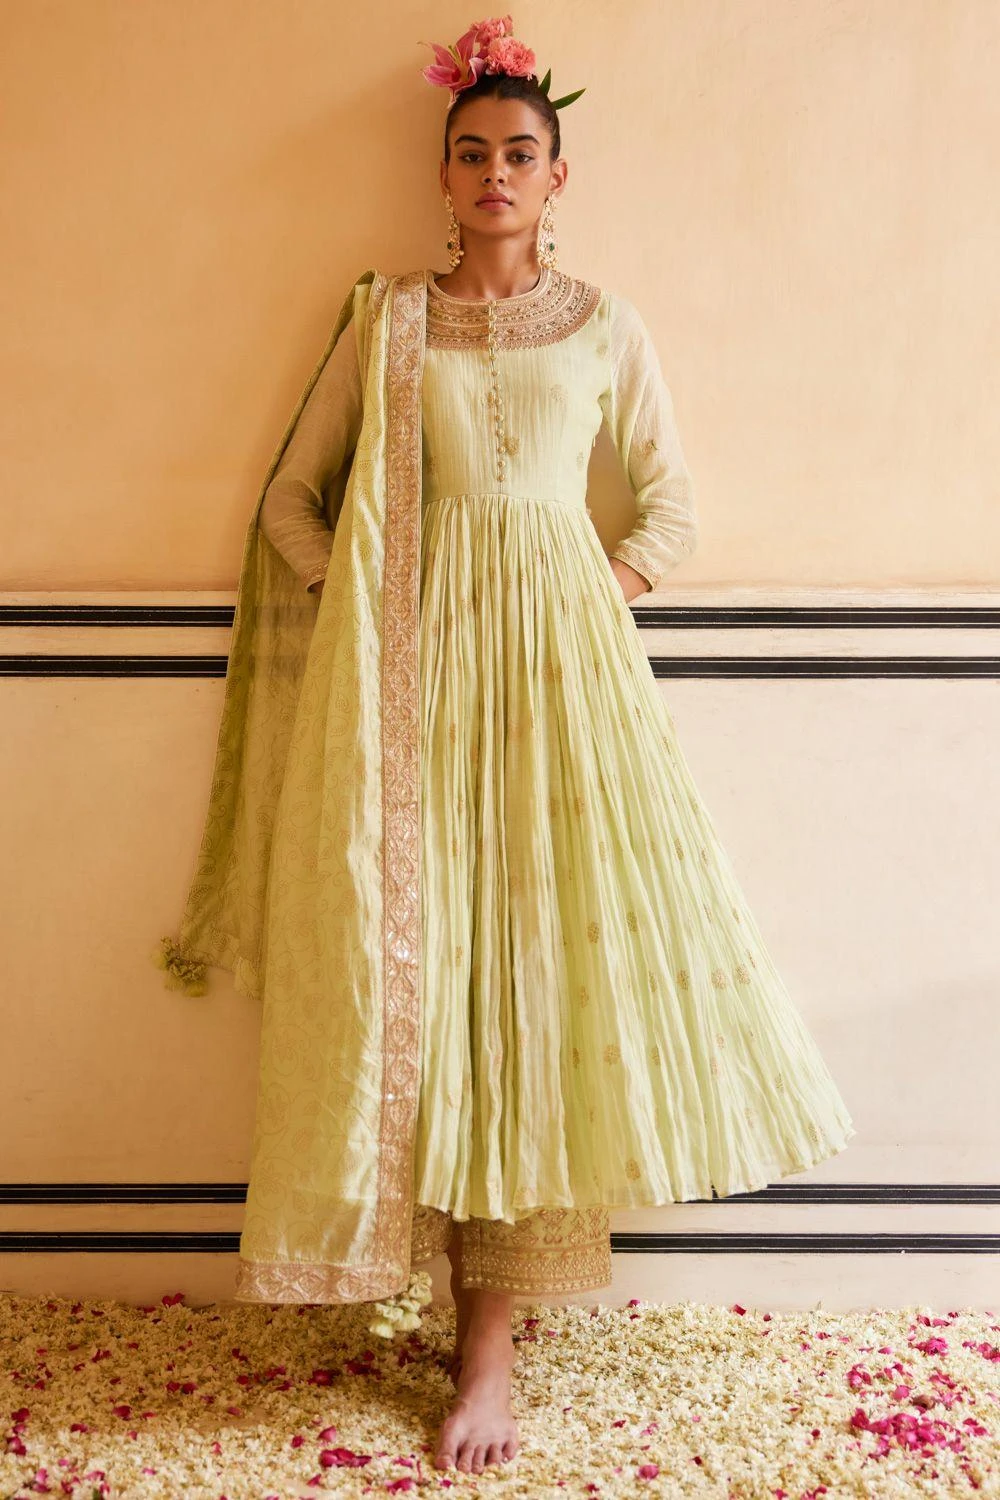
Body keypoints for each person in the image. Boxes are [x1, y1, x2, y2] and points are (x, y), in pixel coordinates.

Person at [153, 16, 856, 1477]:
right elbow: (292, 505)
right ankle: (404, 1277)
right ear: (442, 175)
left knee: (530, 985)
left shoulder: (605, 324)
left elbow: (668, 508)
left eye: (519, 154)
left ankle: (487, 1350)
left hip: (560, 701)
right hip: (405, 699)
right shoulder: (387, 324)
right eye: (470, 153)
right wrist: (363, 611)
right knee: (422, 978)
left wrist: (587, 598)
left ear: (557, 176)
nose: (494, 174)